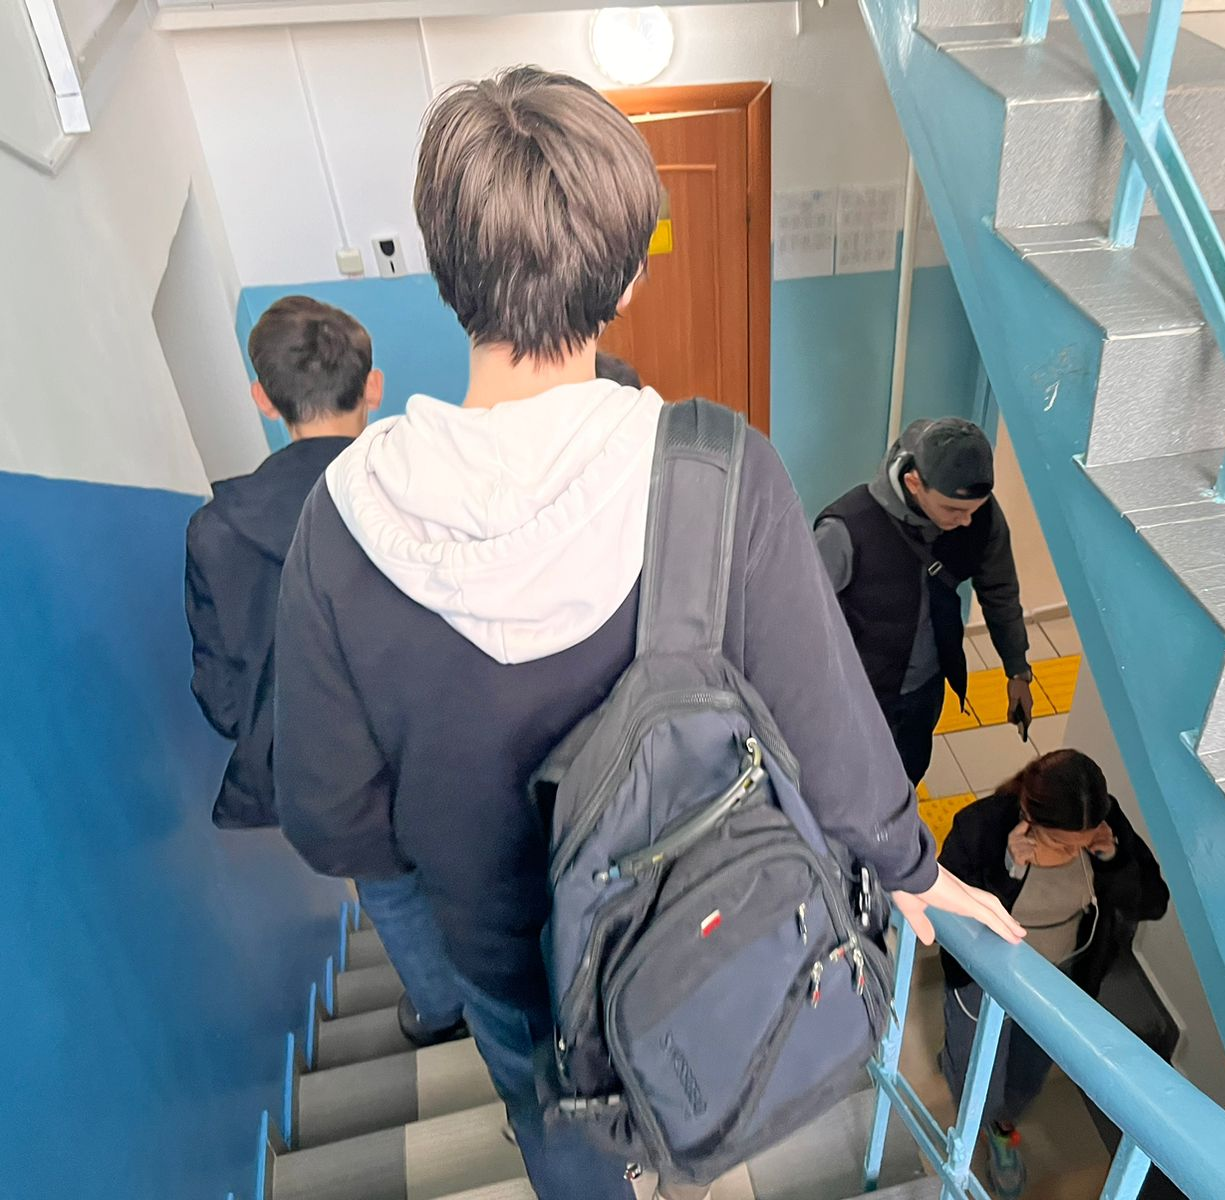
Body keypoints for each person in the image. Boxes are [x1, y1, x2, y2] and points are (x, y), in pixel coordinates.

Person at [270, 67, 1024, 1200]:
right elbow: (828, 726)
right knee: (686, 1066)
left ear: (443, 272)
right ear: (626, 280)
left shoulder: (341, 523)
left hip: (507, 968)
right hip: (688, 933)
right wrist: (914, 869)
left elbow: (330, 818)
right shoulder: (719, 472)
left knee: (553, 1126)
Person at [184, 296, 467, 1049]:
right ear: (374, 386)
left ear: (262, 398)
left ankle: (442, 1010)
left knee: (391, 892)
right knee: (483, 871)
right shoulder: (428, 490)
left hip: (330, 776)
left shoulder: (217, 532)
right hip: (448, 747)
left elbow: (223, 697)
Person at [937, 749, 1169, 1200]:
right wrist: (1009, 871)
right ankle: (984, 1121)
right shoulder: (981, 828)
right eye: (1063, 845)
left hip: (1057, 980)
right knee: (975, 1071)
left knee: (1030, 1072)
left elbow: (1152, 902)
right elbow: (945, 913)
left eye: (1085, 843)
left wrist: (1111, 858)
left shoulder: (1104, 827)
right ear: (1029, 817)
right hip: (982, 979)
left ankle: (1003, 1124)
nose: (1075, 853)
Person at [815, 419, 1034, 784]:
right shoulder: (846, 528)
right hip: (859, 691)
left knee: (910, 771)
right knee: (852, 783)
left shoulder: (978, 514)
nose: (967, 521)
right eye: (952, 510)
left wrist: (1017, 670)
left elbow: (1000, 592)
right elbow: (800, 618)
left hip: (925, 688)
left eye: (974, 509)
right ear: (914, 482)